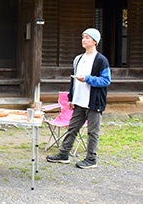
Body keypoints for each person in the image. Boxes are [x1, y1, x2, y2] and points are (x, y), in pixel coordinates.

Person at [47, 28, 111, 169]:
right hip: (79, 100)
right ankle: (63, 154)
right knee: (72, 128)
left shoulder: (101, 60)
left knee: (93, 131)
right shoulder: (78, 59)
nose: (84, 40)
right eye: (83, 37)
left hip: (94, 102)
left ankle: (91, 158)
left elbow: (106, 81)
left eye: (87, 37)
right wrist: (71, 97)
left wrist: (88, 79)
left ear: (95, 41)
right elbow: (73, 81)